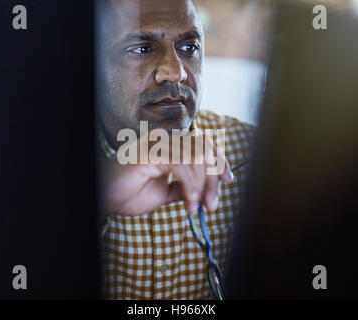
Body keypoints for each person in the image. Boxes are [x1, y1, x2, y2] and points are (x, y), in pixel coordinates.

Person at [96, 0, 255, 299]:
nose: (175, 72)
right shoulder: (37, 171)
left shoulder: (253, 156)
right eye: (142, 49)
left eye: (189, 48)